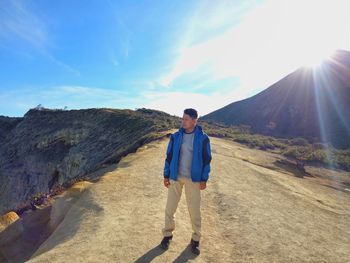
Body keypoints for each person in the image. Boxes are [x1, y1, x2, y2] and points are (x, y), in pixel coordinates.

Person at [160, 108, 212, 255]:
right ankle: (167, 235)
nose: (183, 121)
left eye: (186, 119)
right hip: (175, 177)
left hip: (194, 180)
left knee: (194, 211)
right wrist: (166, 175)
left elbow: (207, 160)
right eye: (182, 119)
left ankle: (195, 240)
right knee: (169, 209)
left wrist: (204, 178)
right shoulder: (176, 136)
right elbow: (169, 156)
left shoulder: (203, 138)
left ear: (195, 120)